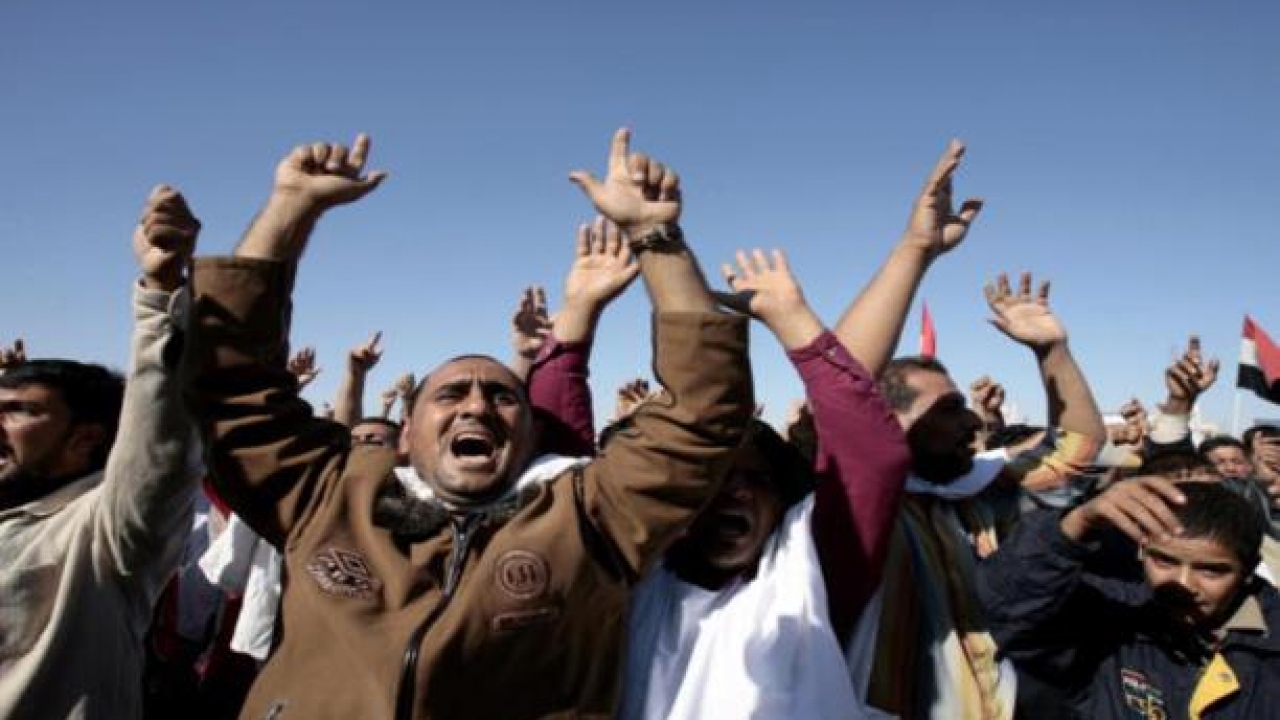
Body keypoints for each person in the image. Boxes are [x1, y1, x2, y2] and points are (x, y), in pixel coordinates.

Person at [181, 129, 753, 720]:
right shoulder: (331, 496)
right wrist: (288, 209)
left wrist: (655, 237)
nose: (476, 407)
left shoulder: (588, 518)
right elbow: (233, 391)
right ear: (406, 433)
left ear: (532, 436)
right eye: (451, 393)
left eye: (503, 397)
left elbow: (704, 415)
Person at [831, 142, 1106, 719]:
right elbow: (841, 384)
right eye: (948, 409)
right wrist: (916, 250)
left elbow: (1078, 449)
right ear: (888, 421)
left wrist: (1052, 351)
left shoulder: (975, 493)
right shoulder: (856, 511)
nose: (972, 422)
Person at [616, 248, 910, 719]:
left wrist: (795, 322)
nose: (736, 492)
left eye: (757, 479)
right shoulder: (631, 578)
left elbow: (872, 457)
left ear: (783, 500)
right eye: (714, 478)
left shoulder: (807, 576)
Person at [0, 186, 202, 718]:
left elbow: (158, 444)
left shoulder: (103, 533)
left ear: (85, 438)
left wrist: (161, 294)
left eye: (18, 411)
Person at [979, 479, 1280, 719]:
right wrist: (1073, 527)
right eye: (1164, 561)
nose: (1183, 583)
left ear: (1248, 571)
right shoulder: (1109, 620)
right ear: (1142, 552)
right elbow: (1006, 615)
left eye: (1211, 570)